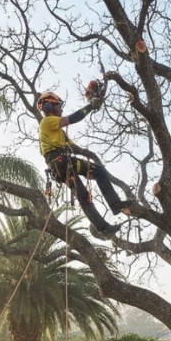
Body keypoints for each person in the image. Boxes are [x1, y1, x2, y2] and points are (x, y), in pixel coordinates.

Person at [37, 87, 132, 239]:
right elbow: (72, 118)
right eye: (58, 106)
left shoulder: (58, 130)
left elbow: (72, 147)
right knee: (87, 190)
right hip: (59, 162)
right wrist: (90, 106)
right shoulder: (47, 122)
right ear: (49, 107)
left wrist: (85, 152)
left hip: (64, 162)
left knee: (91, 182)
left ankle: (111, 214)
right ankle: (109, 217)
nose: (61, 109)